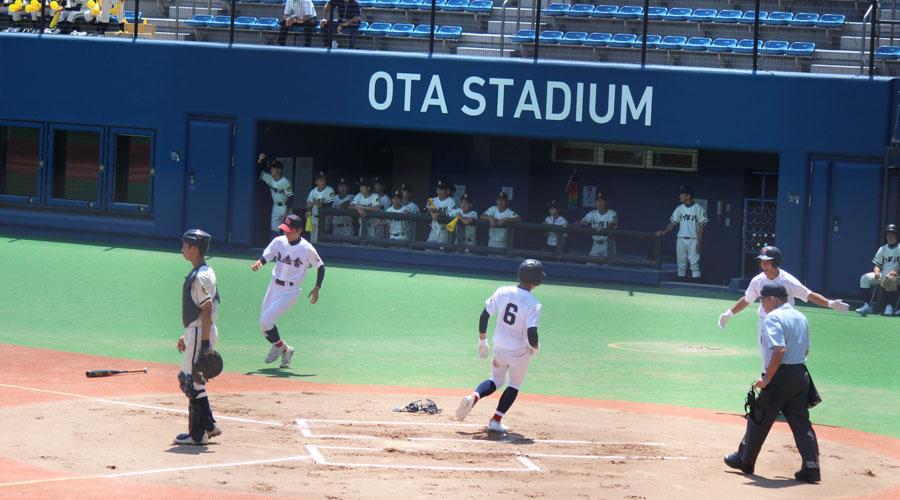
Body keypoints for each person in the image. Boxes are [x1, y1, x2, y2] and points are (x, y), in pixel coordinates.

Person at [723, 283, 821, 483]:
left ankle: (745, 460)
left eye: (763, 300)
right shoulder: (800, 316)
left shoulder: (773, 318)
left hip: (780, 377)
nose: (762, 305)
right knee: (802, 423)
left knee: (758, 418)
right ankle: (811, 467)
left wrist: (767, 378)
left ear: (773, 299)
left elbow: (779, 350)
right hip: (800, 375)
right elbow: (806, 351)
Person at [718, 246, 849, 374]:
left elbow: (808, 294)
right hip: (767, 323)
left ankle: (789, 383)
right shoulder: (757, 281)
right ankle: (768, 383)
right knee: (767, 357)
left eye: (767, 262)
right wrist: (730, 313)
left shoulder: (787, 280)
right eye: (762, 262)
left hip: (787, 323)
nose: (763, 265)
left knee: (791, 356)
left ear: (775, 263)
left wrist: (830, 303)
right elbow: (747, 299)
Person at [455, 259, 544, 434]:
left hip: (499, 348)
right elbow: (532, 332)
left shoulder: (502, 291)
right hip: (519, 352)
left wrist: (482, 341)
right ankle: (495, 421)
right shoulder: (534, 304)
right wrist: (535, 347)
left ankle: (474, 396)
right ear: (536, 280)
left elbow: (484, 315)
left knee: (496, 380)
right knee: (514, 384)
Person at [251, 214, 325, 369]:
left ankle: (278, 347)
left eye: (290, 231)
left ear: (299, 231)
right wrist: (260, 262)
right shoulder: (279, 241)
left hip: (291, 291)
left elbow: (320, 266)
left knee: (265, 322)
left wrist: (317, 287)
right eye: (285, 229)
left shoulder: (306, 248)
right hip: (274, 286)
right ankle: (285, 349)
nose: (286, 233)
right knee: (265, 328)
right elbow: (267, 255)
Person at [174, 229, 222, 445]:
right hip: (198, 331)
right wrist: (187, 336)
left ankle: (197, 434)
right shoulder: (205, 270)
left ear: (194, 249)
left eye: (185, 245)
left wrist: (202, 344)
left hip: (200, 332)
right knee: (196, 381)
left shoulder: (201, 275)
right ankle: (209, 425)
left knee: (190, 382)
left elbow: (206, 307)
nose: (182, 249)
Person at [656, 185, 707, 281]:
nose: (680, 196)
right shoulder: (679, 209)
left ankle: (695, 287)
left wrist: (699, 242)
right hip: (681, 239)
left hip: (693, 239)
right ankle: (681, 286)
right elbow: (672, 223)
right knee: (681, 264)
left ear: (688, 195)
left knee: (694, 264)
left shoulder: (699, 209)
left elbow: (701, 227)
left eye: (682, 194)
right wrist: (664, 232)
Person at [856, 224, 900, 316]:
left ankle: (889, 306)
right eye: (888, 235)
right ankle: (867, 305)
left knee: (890, 278)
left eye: (892, 235)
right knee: (864, 278)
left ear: (896, 236)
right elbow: (877, 265)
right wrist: (877, 272)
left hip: (897, 275)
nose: (890, 237)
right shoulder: (883, 249)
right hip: (884, 274)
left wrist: (895, 272)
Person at [568, 192, 617, 260]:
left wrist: (604, 229)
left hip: (608, 244)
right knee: (590, 266)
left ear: (606, 202)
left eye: (601, 201)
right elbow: (580, 222)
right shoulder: (593, 213)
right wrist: (569, 225)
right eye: (597, 201)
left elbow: (611, 225)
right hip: (596, 245)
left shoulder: (613, 213)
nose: (599, 203)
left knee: (607, 268)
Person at [258, 153, 294, 239]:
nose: (271, 170)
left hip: (286, 207)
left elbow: (291, 197)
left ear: (279, 170)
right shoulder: (270, 179)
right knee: (274, 231)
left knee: (288, 231)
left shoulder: (285, 182)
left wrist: (287, 212)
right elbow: (258, 171)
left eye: (274, 168)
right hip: (276, 206)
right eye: (271, 168)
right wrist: (260, 160)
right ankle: (274, 251)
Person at [305, 170, 334, 243]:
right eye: (320, 180)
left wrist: (315, 203)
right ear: (316, 182)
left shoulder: (329, 190)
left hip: (324, 218)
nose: (323, 181)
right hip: (313, 217)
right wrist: (308, 212)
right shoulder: (313, 192)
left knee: (320, 240)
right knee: (312, 239)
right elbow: (308, 205)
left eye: (324, 179)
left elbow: (329, 204)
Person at [426, 180, 456, 247]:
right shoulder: (432, 200)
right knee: (428, 250)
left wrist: (438, 213)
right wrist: (429, 209)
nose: (439, 191)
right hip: (433, 229)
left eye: (441, 189)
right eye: (437, 189)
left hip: (444, 231)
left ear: (447, 191)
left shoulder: (451, 201)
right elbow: (425, 212)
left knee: (441, 252)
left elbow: (451, 214)